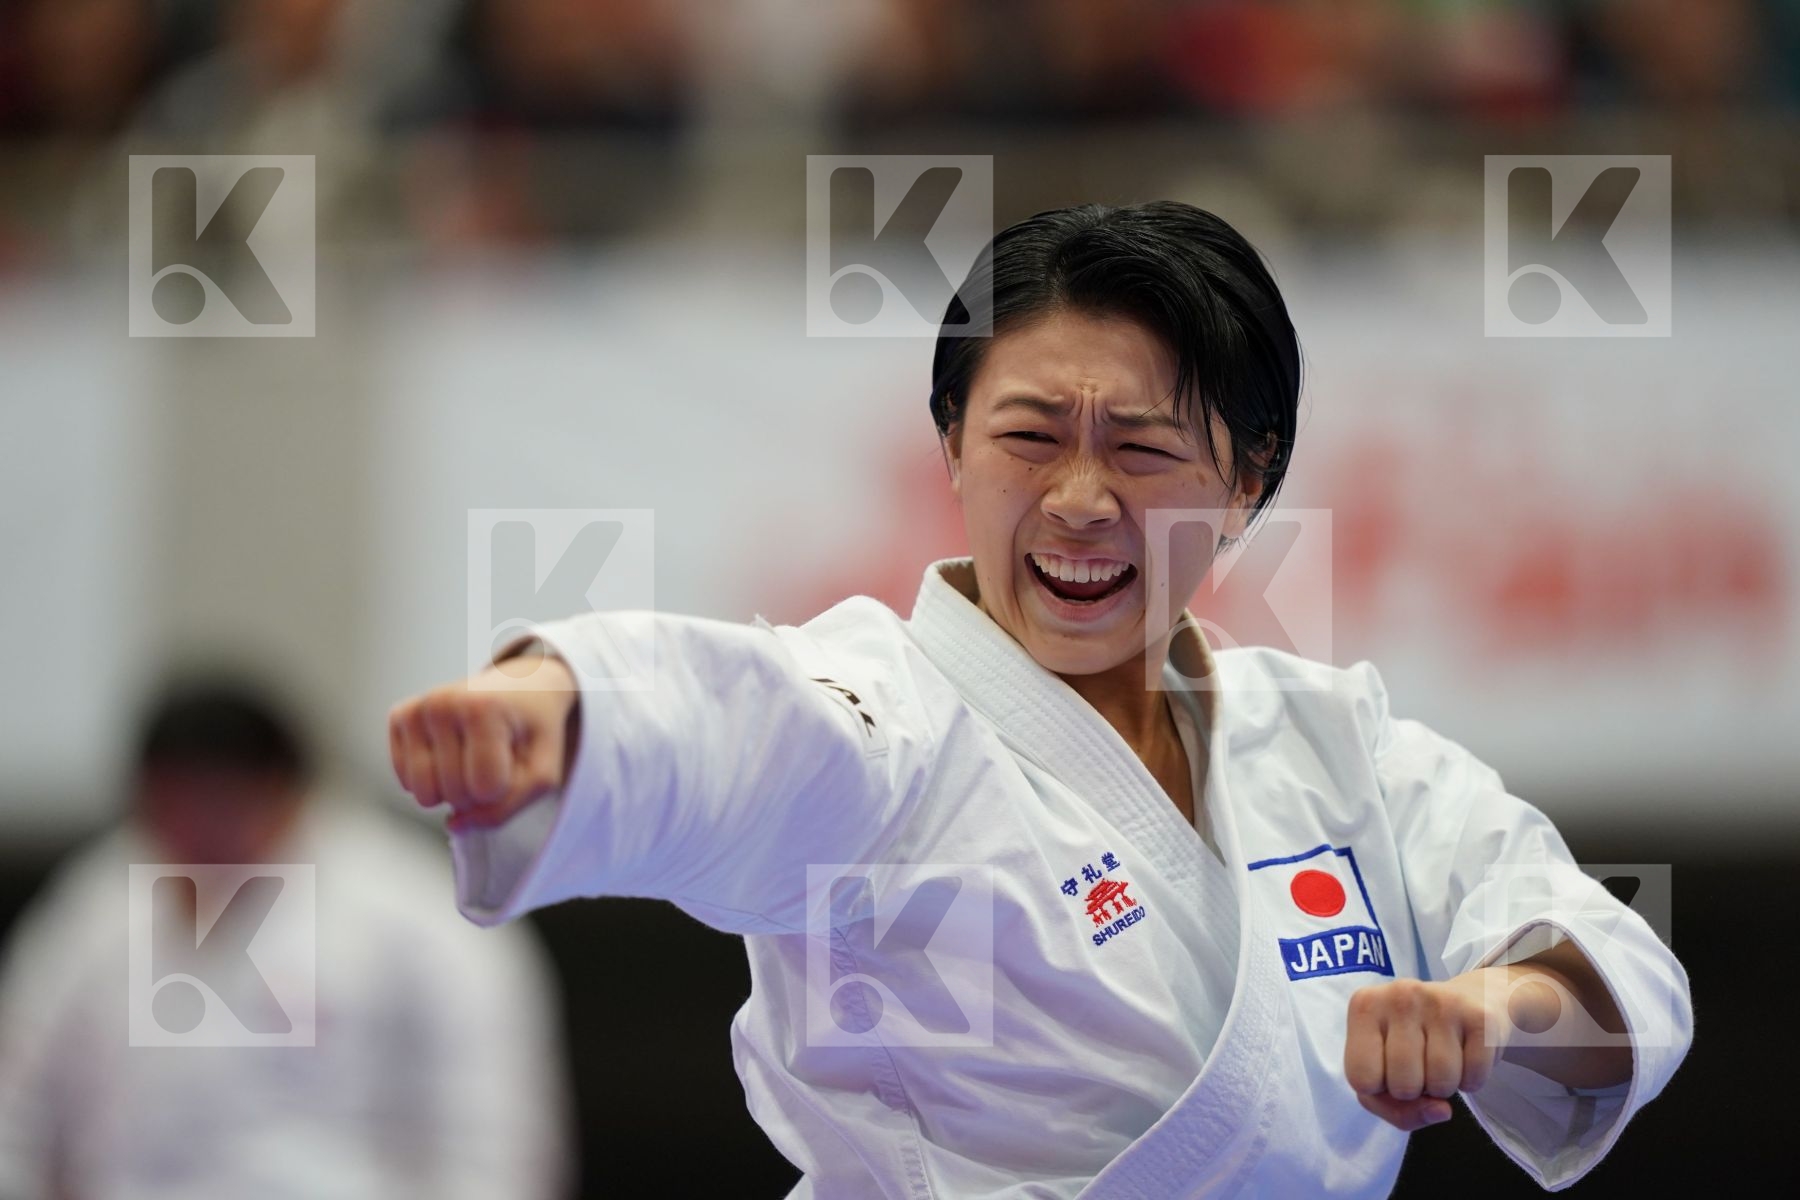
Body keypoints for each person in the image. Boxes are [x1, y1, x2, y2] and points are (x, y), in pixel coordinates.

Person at [386, 200, 1692, 1198]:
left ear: (1249, 480)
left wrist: (1489, 1017)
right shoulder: (881, 717)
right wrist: (561, 706)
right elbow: (730, 715)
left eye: (1141, 447)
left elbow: (1604, 966)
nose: (1078, 500)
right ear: (950, 444)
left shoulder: (1336, 745)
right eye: (1027, 437)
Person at [0, 674, 572, 1199]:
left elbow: (492, 1141)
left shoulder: (420, 917)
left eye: (223, 807)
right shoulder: (92, 914)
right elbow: (16, 1114)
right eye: (174, 809)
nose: (200, 835)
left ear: (289, 791)